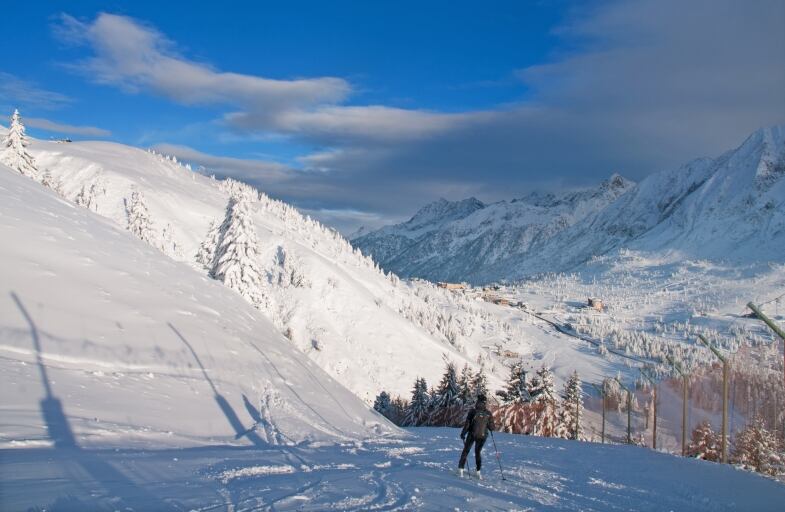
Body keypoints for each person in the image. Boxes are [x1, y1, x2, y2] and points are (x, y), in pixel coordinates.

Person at [458, 393, 496, 479]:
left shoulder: (472, 412)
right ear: (485, 403)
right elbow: (492, 428)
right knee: (478, 453)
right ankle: (478, 472)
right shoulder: (488, 413)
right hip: (482, 436)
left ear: (477, 402)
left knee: (466, 451)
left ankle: (460, 470)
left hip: (472, 434)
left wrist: (463, 434)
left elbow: (467, 425)